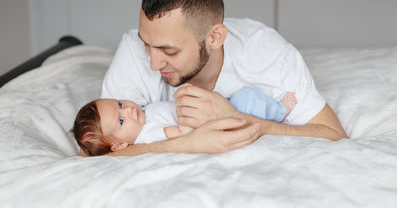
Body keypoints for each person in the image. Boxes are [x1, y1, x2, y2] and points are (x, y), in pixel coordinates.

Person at [99, 0, 347, 156]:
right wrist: (188, 144)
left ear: (215, 37)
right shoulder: (132, 50)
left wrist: (242, 121)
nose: (153, 64)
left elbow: (333, 133)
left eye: (170, 51)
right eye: (147, 44)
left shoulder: (266, 53)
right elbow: (94, 151)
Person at [75, 88, 298, 156]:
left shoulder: (144, 115)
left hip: (210, 110)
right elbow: (184, 134)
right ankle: (279, 112)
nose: (130, 110)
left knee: (243, 96)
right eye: (122, 121)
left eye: (120, 104)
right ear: (120, 146)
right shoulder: (149, 134)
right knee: (245, 99)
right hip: (213, 121)